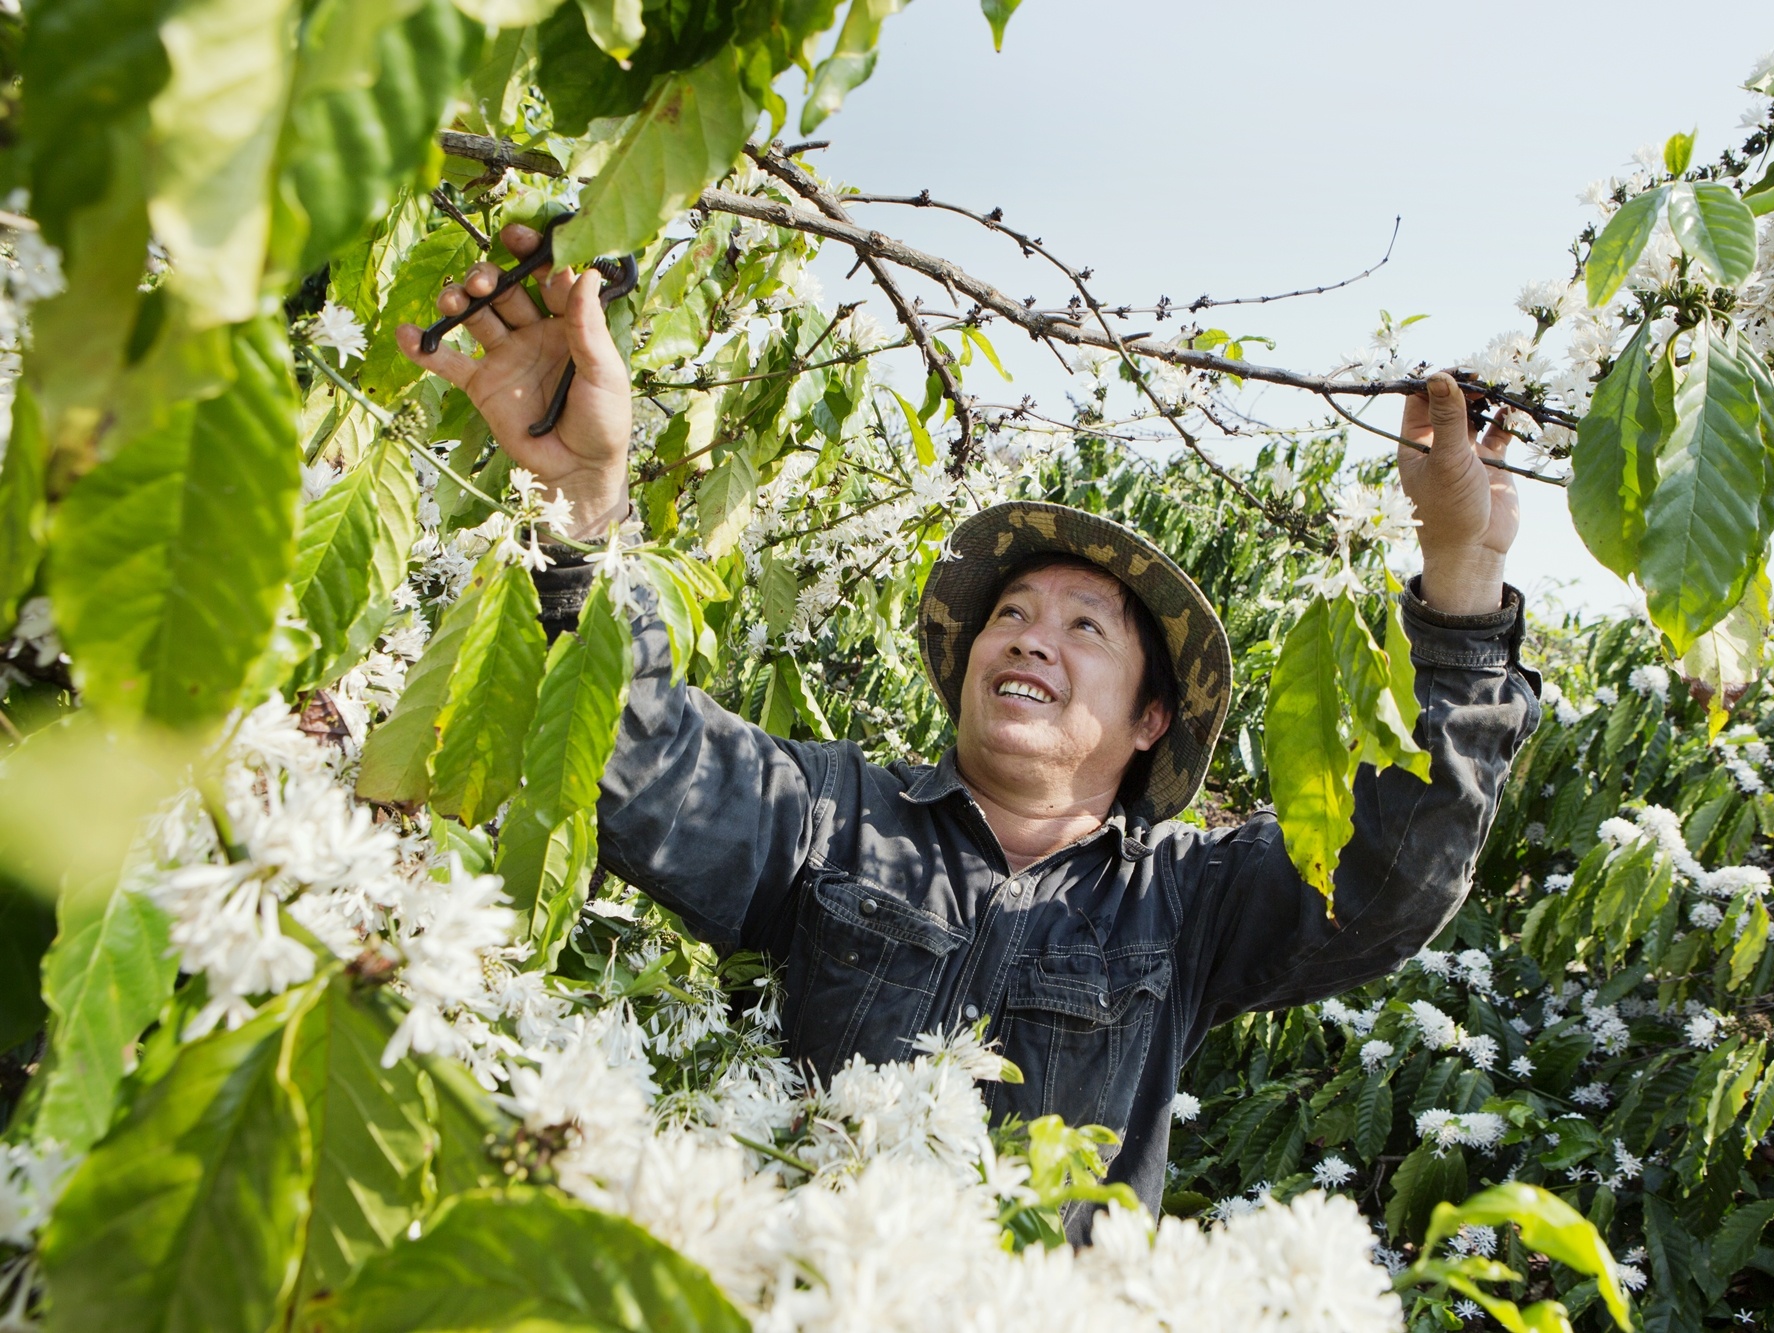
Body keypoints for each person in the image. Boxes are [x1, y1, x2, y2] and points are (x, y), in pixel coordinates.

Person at [398, 224, 1541, 1240]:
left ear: (1150, 719)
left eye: (1084, 627)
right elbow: (638, 756)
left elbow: (1391, 870)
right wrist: (582, 499)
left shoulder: (1188, 903)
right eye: (1010, 614)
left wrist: (1461, 572)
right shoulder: (832, 816)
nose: (1032, 639)